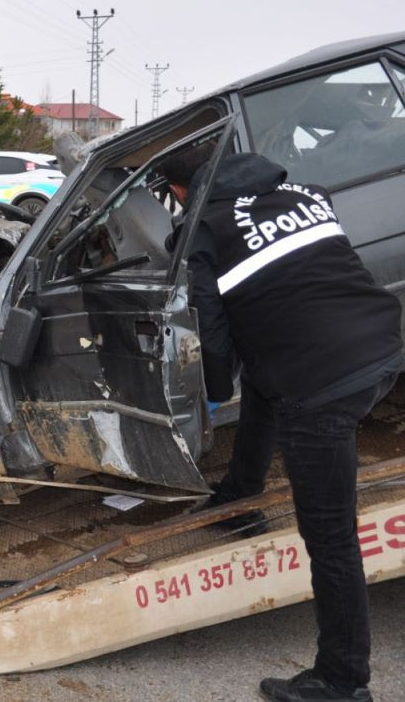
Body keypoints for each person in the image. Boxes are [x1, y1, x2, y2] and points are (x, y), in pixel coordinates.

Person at [162, 147, 402, 702]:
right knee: (270, 387)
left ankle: (343, 681)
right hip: (383, 344)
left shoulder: (202, 231)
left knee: (331, 537)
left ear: (181, 191)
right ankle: (238, 496)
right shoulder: (305, 193)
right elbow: (309, 276)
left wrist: (218, 393)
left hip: (320, 383)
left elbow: (212, 329)